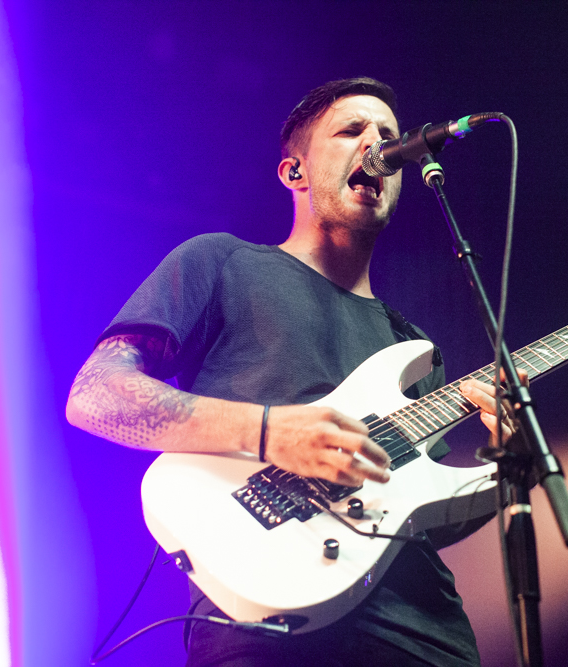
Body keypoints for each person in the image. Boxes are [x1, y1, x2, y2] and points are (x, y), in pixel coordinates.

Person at [66, 77, 518, 667]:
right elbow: (96, 394)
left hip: (426, 636)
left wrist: (506, 461)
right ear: (294, 172)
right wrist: (268, 431)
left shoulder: (412, 347)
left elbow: (416, 511)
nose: (377, 144)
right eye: (351, 130)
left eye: (388, 134)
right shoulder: (222, 262)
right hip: (262, 621)